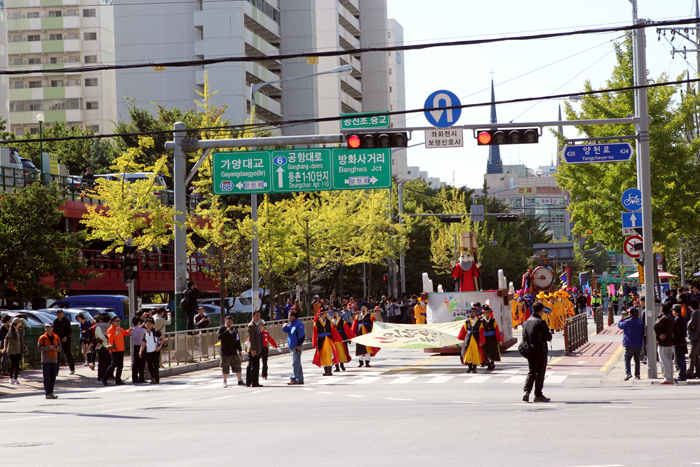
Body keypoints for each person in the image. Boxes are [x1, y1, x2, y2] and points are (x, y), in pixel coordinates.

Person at [521, 301, 552, 402]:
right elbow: (548, 337)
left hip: (529, 350)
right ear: (541, 311)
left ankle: (526, 391)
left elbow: (524, 337)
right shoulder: (540, 322)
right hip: (540, 350)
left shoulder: (526, 322)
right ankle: (538, 394)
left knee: (531, 371)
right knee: (539, 373)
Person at [312, 309, 343, 376]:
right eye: (325, 313)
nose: (326, 315)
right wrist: (314, 343)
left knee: (329, 354)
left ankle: (329, 370)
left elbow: (333, 331)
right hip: (321, 340)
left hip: (329, 340)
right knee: (323, 355)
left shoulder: (329, 322)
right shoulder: (316, 323)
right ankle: (326, 370)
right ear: (321, 315)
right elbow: (315, 334)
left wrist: (339, 338)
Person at [618, 306, 645, 381]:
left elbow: (620, 325)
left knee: (627, 359)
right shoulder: (640, 322)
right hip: (638, 344)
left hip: (630, 343)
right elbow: (643, 332)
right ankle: (637, 374)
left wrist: (622, 319)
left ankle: (628, 373)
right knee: (637, 359)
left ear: (630, 313)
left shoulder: (628, 321)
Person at [654, 303, 679, 385]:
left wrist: (659, 335)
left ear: (661, 311)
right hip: (670, 343)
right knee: (669, 361)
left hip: (663, 343)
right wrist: (673, 340)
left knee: (664, 361)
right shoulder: (672, 319)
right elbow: (677, 331)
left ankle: (667, 378)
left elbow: (655, 326)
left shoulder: (662, 319)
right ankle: (670, 377)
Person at [103, 316, 132, 386]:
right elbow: (110, 338)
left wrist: (129, 330)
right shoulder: (110, 329)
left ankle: (118, 380)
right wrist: (116, 333)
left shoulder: (119, 328)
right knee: (113, 365)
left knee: (120, 366)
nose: (119, 322)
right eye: (117, 321)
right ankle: (104, 378)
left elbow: (125, 333)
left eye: (119, 320)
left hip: (121, 349)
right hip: (114, 350)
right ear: (113, 322)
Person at [217, 316, 244, 387]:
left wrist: (240, 349)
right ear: (225, 322)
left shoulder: (235, 330)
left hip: (233, 351)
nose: (229, 324)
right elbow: (219, 337)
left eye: (230, 322)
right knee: (225, 367)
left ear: (232, 323)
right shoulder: (222, 329)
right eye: (227, 322)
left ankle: (240, 380)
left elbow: (237, 340)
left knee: (237, 366)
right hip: (225, 352)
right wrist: (227, 331)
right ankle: (225, 381)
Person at [458, 306, 485, 373]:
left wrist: (481, 341)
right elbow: (464, 330)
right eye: (471, 312)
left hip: (476, 338)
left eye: (473, 312)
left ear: (476, 313)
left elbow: (481, 331)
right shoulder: (467, 322)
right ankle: (469, 367)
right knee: (468, 353)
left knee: (475, 353)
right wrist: (460, 337)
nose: (472, 313)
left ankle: (474, 368)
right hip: (468, 339)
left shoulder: (479, 322)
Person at [38, 323, 61, 399]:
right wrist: (49, 348)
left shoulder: (56, 337)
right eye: (46, 327)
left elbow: (60, 347)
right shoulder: (42, 337)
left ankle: (51, 392)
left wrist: (57, 348)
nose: (47, 329)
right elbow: (39, 347)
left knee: (53, 377)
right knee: (46, 377)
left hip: (54, 360)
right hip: (46, 360)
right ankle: (47, 393)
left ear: (52, 328)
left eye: (49, 327)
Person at [282, 310, 306, 385]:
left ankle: (293, 378)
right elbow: (286, 330)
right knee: (297, 363)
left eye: (289, 315)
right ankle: (300, 379)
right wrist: (284, 326)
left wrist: (299, 345)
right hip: (292, 346)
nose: (288, 317)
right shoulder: (291, 324)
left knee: (295, 362)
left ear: (293, 316)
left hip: (296, 346)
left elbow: (302, 336)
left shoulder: (299, 324)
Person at [3, 318, 27, 384]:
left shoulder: (20, 331)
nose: (21, 323)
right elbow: (6, 339)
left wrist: (25, 348)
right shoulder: (11, 331)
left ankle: (15, 378)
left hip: (18, 350)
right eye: (19, 322)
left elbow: (22, 340)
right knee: (13, 364)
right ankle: (11, 378)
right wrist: (5, 347)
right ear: (17, 323)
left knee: (17, 364)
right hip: (12, 350)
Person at [140, 318, 164, 385]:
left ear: (152, 324)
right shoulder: (145, 333)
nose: (148, 325)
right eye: (146, 323)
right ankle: (153, 378)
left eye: (149, 323)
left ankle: (156, 379)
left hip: (155, 351)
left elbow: (162, 338)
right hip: (148, 352)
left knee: (155, 365)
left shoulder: (156, 331)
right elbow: (143, 343)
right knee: (149, 365)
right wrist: (140, 351)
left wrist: (159, 347)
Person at [480, 305, 503, 371]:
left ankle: (492, 363)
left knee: (492, 351)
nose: (487, 314)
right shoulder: (481, 321)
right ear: (483, 314)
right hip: (484, 338)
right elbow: (480, 331)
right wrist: (481, 340)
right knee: (485, 351)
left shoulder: (493, 320)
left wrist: (499, 339)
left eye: (488, 313)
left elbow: (497, 330)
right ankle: (488, 364)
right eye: (486, 313)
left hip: (492, 338)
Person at [52, 310, 75, 375]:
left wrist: (66, 337)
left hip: (65, 340)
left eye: (61, 313)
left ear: (63, 314)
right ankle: (56, 371)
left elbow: (69, 330)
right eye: (58, 313)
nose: (60, 315)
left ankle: (72, 369)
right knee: (57, 355)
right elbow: (54, 331)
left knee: (68, 354)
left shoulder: (66, 321)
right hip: (57, 341)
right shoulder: (55, 321)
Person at [245, 311, 263, 387]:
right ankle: (254, 382)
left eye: (259, 316)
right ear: (253, 316)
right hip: (253, 349)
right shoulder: (251, 325)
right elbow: (251, 339)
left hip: (256, 348)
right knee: (254, 366)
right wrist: (253, 349)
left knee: (253, 365)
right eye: (257, 316)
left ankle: (249, 382)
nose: (258, 317)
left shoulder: (256, 325)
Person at [672, 304, 688, 381]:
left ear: (675, 311)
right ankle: (682, 374)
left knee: (679, 359)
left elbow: (676, 332)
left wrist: (673, 341)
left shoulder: (677, 320)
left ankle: (682, 375)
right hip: (682, 341)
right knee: (681, 359)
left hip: (678, 342)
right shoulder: (682, 318)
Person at [130, 317, 147, 384]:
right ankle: (141, 378)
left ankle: (134, 378)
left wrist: (141, 325)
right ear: (138, 322)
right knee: (142, 363)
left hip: (135, 346)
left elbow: (138, 328)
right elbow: (146, 331)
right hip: (142, 346)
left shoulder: (132, 329)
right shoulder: (142, 330)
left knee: (135, 363)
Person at [687, 299, 700, 379]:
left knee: (691, 355)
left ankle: (690, 372)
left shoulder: (695, 313)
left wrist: (690, 324)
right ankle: (698, 371)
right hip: (696, 336)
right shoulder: (697, 313)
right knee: (695, 355)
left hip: (695, 336)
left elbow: (689, 324)